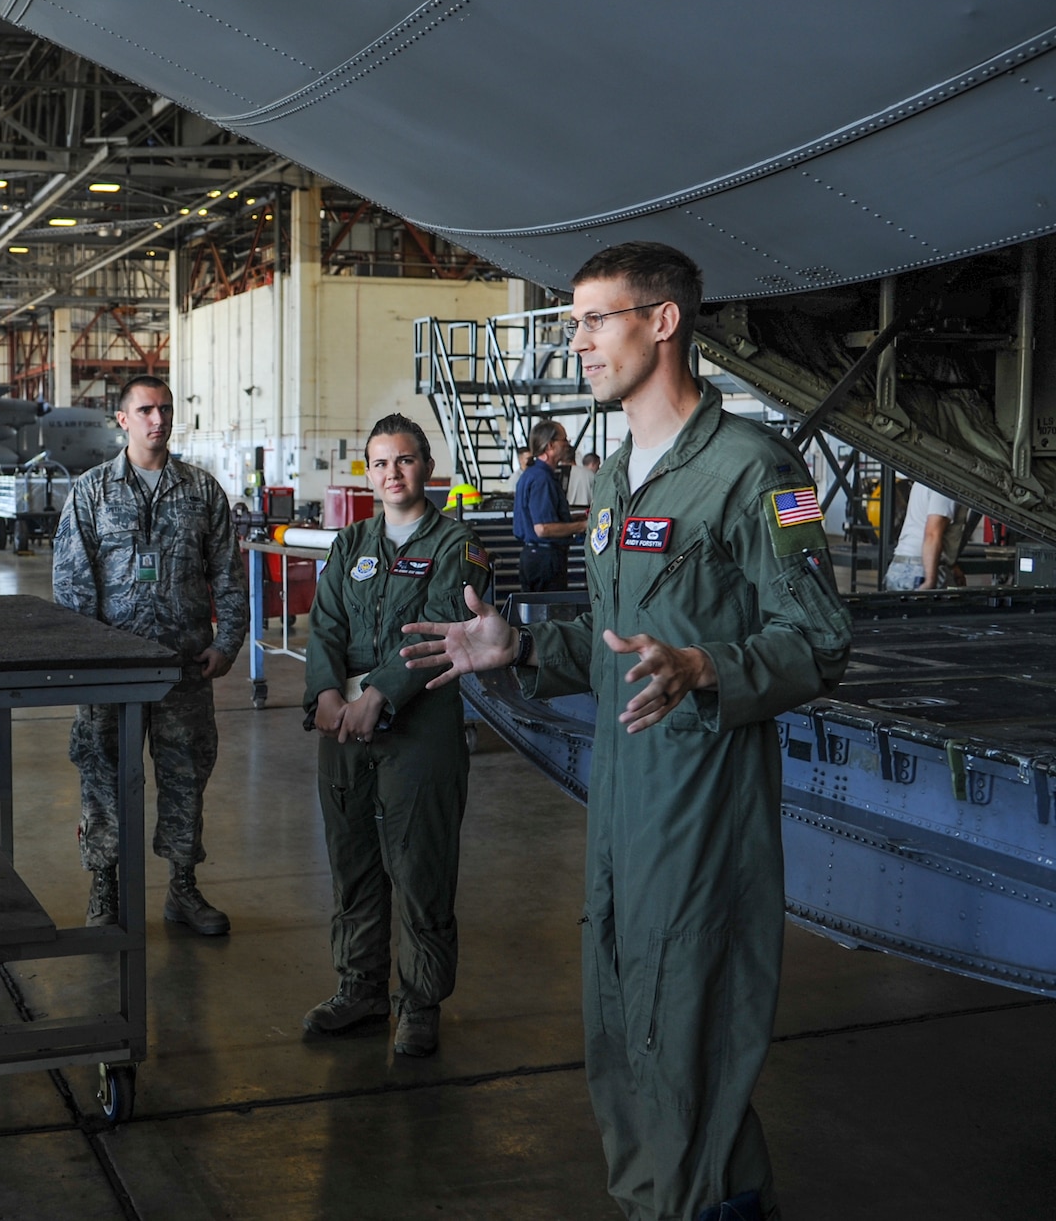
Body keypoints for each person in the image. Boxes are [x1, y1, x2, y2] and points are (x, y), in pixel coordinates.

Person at [403, 242, 852, 1221]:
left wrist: (705, 666)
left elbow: (818, 635)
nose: (577, 343)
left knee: (684, 1023)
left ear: (661, 322)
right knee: (620, 1027)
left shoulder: (755, 468)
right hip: (621, 804)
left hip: (701, 808)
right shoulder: (609, 479)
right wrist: (513, 643)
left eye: (594, 320)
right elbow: (610, 643)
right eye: (570, 323)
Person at [300, 414, 490, 1055]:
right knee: (353, 862)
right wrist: (327, 694)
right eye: (380, 463)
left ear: (426, 468)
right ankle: (360, 989)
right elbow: (324, 621)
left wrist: (377, 695)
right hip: (343, 731)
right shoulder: (351, 544)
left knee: (419, 865)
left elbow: (445, 630)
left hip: (420, 726)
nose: (392, 473)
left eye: (404, 460)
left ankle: (420, 1003)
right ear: (369, 471)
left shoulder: (456, 545)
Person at [53, 374, 248, 934]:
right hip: (109, 674)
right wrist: (89, 660)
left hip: (184, 668)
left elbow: (228, 577)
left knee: (186, 775)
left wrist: (227, 642)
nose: (157, 419)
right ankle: (104, 889)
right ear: (122, 419)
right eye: (145, 410)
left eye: (164, 409)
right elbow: (71, 582)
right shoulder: (92, 491)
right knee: (102, 775)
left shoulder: (201, 491)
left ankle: (183, 889)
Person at [512, 418, 586, 592]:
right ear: (550, 445)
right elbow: (543, 529)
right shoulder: (542, 479)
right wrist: (582, 525)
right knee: (550, 614)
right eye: (564, 439)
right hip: (545, 560)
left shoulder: (533, 474)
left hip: (537, 557)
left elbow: (543, 518)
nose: (567, 444)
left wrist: (573, 518)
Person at [885, 480, 957, 590]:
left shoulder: (923, 479)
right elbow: (932, 534)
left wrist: (951, 566)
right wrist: (930, 582)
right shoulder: (947, 486)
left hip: (899, 567)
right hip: (921, 571)